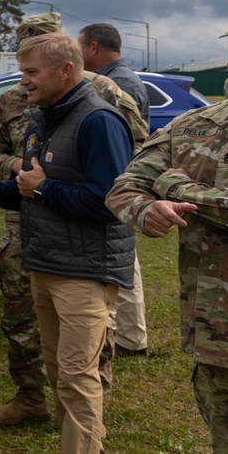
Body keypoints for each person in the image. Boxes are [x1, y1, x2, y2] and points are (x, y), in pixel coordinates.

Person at [0, 32, 135, 454]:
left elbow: (111, 203)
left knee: (76, 377)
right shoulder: (41, 118)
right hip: (46, 263)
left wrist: (43, 188)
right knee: (58, 370)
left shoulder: (99, 121)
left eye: (32, 72)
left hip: (84, 271)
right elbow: (29, 191)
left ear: (66, 70)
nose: (24, 81)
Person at [106, 9, 228, 454]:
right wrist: (148, 209)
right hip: (214, 333)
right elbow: (124, 186)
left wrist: (175, 185)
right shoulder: (193, 124)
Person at [79, 22, 150, 358]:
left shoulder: (115, 84)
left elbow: (128, 139)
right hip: (119, 185)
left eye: (80, 47)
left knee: (120, 262)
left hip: (116, 186)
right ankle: (130, 337)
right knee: (123, 259)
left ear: (93, 47)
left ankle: (128, 338)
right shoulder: (123, 78)